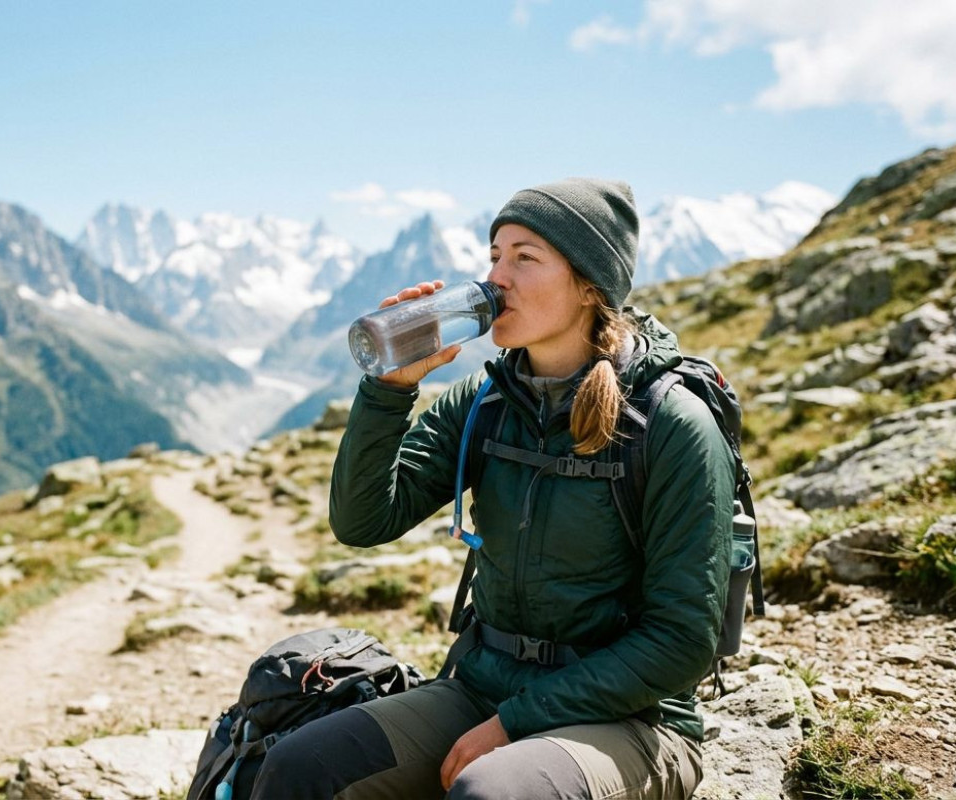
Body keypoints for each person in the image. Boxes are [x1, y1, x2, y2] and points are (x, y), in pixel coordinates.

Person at [248, 178, 734, 800]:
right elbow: (362, 521)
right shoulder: (484, 401)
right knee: (297, 766)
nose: (497, 277)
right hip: (483, 685)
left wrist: (513, 724)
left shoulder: (671, 423)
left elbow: (683, 640)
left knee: (491, 793)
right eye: (494, 256)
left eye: (525, 257)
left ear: (590, 285)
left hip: (631, 718)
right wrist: (389, 389)